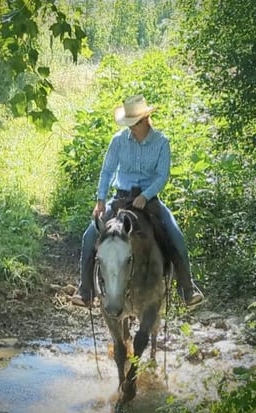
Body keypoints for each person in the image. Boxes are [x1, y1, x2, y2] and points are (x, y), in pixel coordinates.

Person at [70, 94, 204, 309]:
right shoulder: (119, 140)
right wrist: (101, 199)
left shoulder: (161, 142)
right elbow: (107, 171)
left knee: (175, 234)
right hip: (120, 199)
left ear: (144, 120)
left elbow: (162, 175)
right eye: (129, 123)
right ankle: (85, 290)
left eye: (134, 123)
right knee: (89, 236)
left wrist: (145, 195)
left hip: (148, 201)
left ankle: (187, 289)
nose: (131, 128)